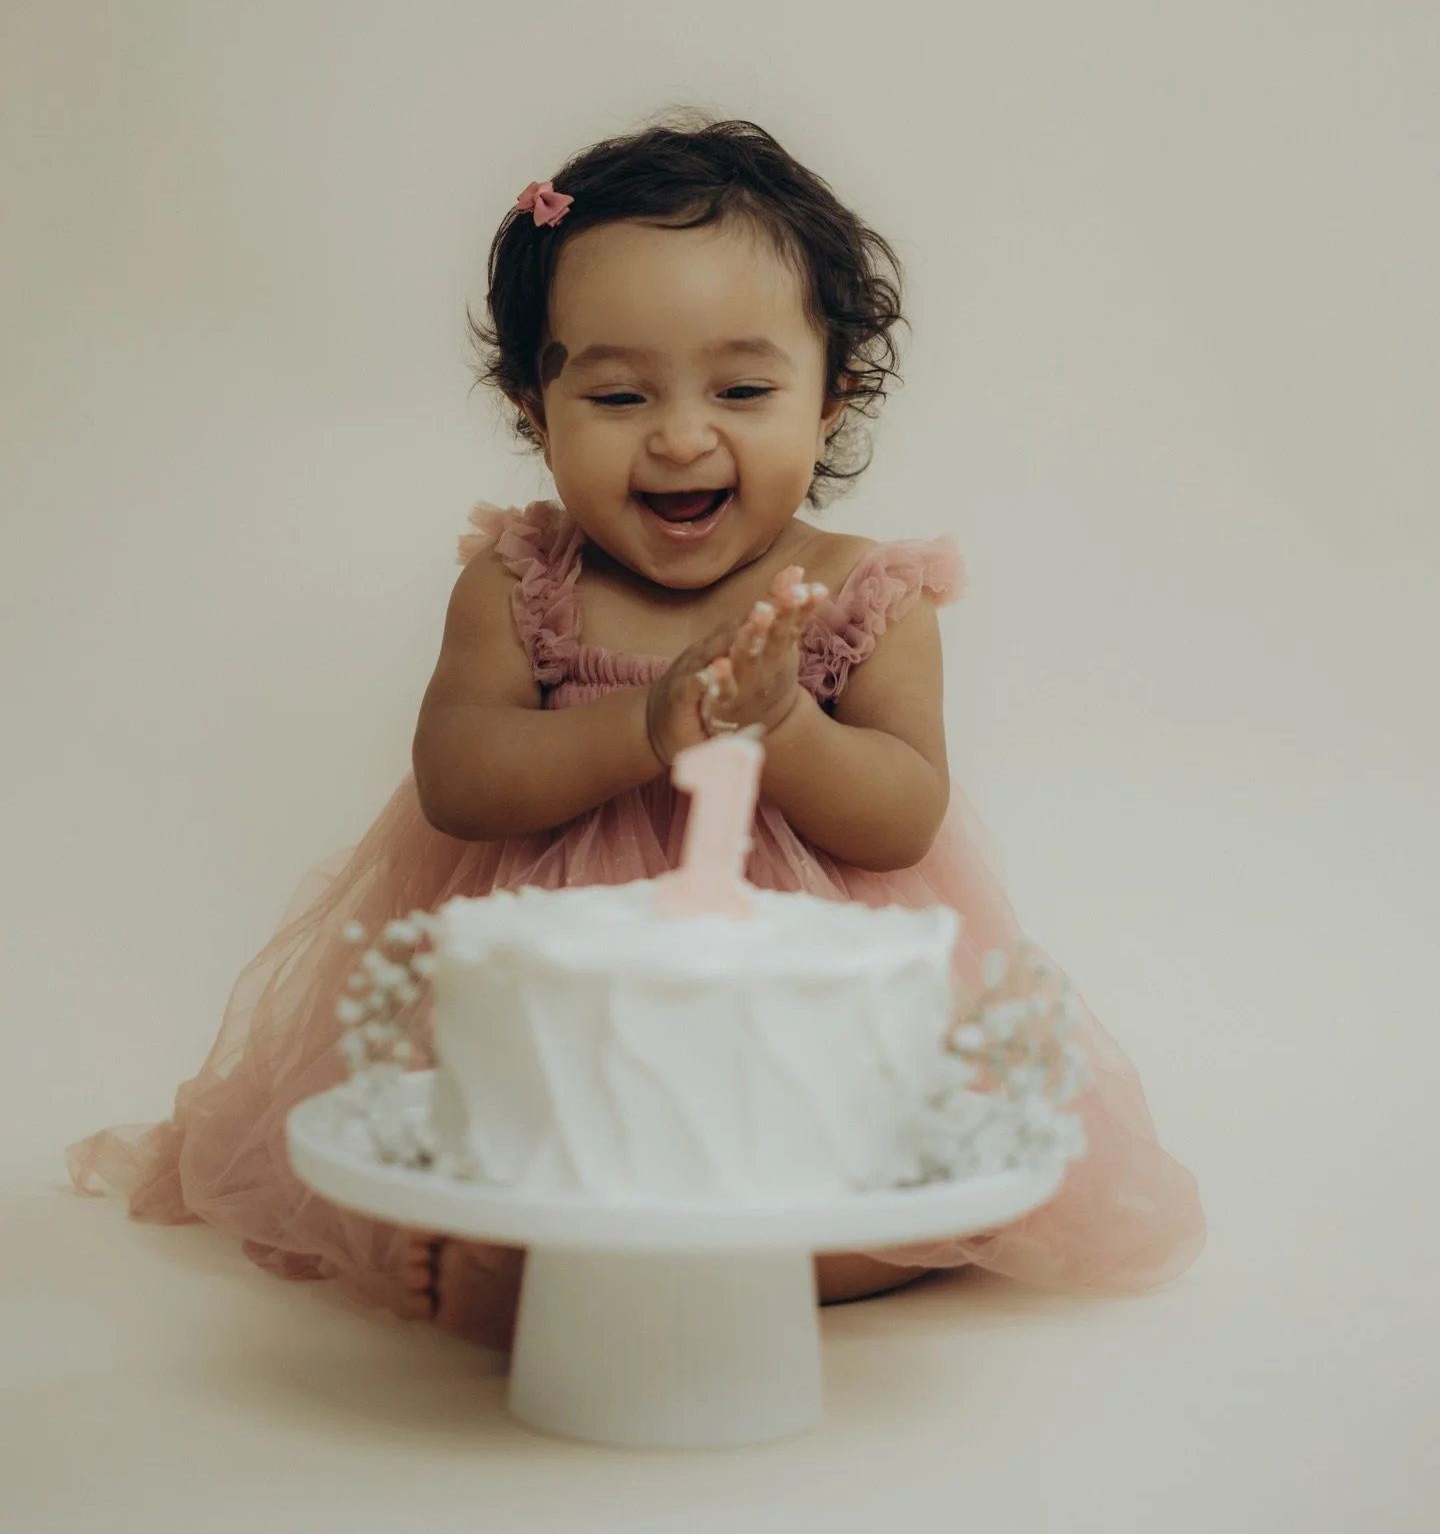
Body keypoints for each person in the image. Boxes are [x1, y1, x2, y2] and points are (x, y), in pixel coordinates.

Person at [69, 115, 1205, 1349]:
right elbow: (459, 779)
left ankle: (761, 1255)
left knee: (882, 1211)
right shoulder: (518, 586)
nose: (677, 433)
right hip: (555, 1036)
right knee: (479, 1205)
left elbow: (902, 816)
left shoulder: (863, 595)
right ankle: (572, 1251)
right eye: (617, 392)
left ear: (835, 398)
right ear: (532, 405)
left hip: (791, 1031)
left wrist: (785, 727)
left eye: (744, 387)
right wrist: (651, 724)